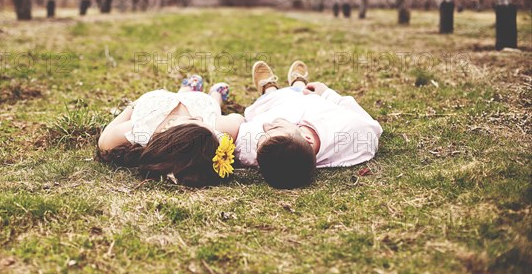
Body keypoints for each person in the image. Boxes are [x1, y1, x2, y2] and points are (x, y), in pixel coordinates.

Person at [235, 61, 383, 189]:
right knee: (299, 94)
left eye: (261, 136)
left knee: (272, 102)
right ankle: (298, 82)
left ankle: (269, 89)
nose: (266, 125)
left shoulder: (270, 157)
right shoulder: (356, 135)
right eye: (274, 128)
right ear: (307, 138)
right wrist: (327, 93)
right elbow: (372, 127)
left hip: (284, 104)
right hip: (316, 102)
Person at [96, 75, 244, 187]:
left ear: (173, 132)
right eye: (197, 121)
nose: (198, 117)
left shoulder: (139, 130)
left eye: (194, 121)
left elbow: (105, 138)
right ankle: (216, 96)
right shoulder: (210, 131)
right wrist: (229, 121)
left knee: (183, 95)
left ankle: (187, 88)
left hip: (159, 101)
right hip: (201, 103)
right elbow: (238, 120)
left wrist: (133, 106)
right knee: (214, 111)